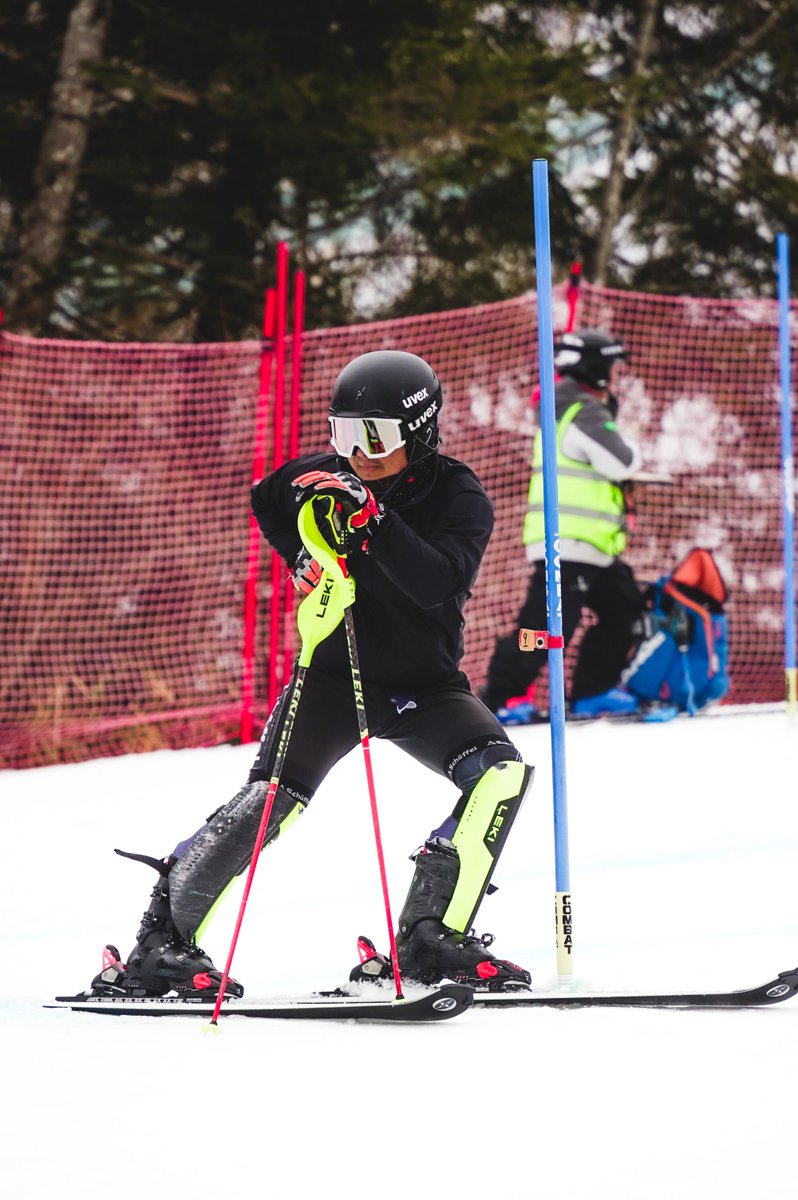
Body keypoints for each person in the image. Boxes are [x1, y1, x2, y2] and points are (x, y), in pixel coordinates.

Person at [88, 350, 535, 999]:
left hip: (424, 687)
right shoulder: (326, 477)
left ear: (422, 431)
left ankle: (431, 936)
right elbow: (267, 496)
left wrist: (373, 520)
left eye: (375, 438)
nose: (358, 455)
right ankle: (163, 942)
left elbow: (438, 582)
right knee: (272, 800)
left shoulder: (460, 495)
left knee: (499, 776)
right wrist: (300, 555)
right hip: (333, 679)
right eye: (345, 436)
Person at [481, 329, 645, 724]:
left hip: (588, 547)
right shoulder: (582, 410)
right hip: (567, 544)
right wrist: (624, 433)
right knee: (539, 630)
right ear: (598, 369)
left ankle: (593, 690)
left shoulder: (564, 408)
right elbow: (622, 461)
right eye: (610, 367)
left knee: (625, 610)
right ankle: (499, 697)